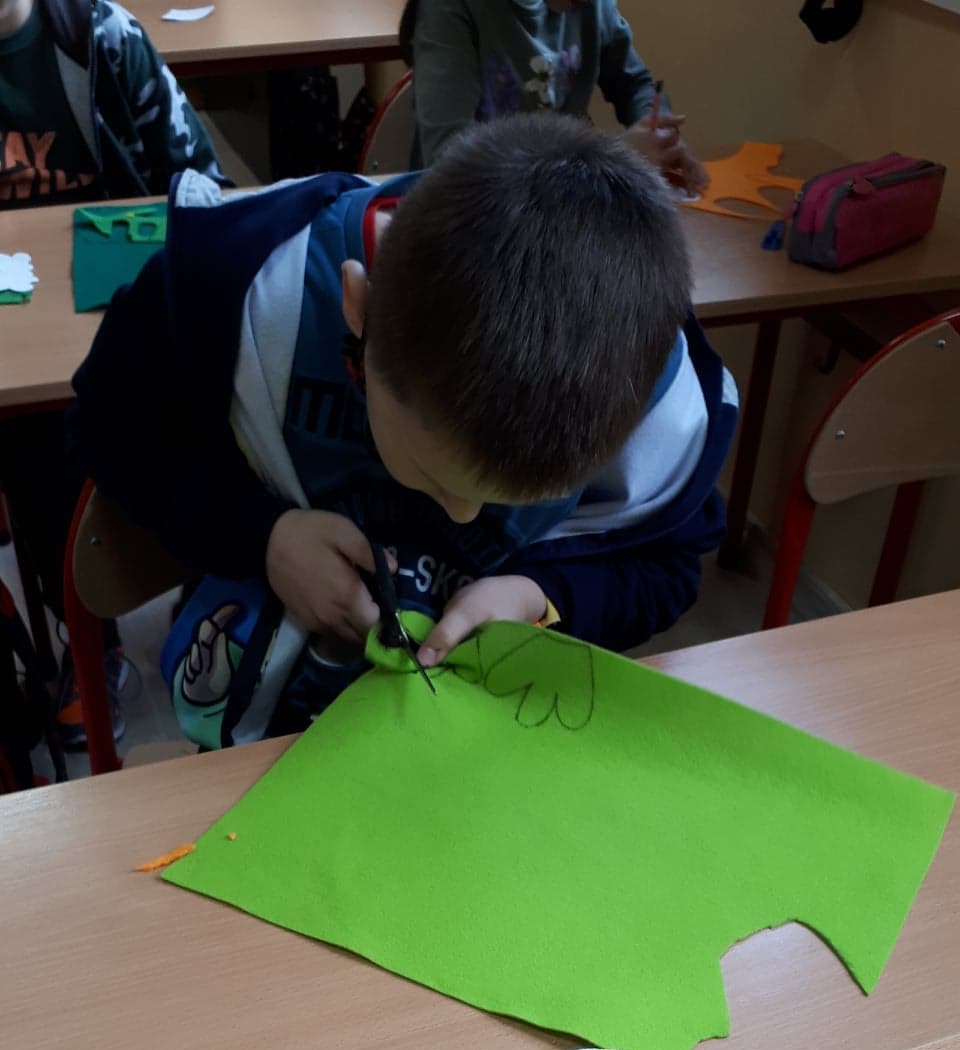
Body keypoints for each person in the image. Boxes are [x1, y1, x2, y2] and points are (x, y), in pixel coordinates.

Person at [70, 115, 737, 748]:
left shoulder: (648, 394)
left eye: (516, 500)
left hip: (481, 748)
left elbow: (669, 564)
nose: (462, 515)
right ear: (357, 311)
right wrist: (262, 536)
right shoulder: (239, 285)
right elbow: (106, 425)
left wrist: (543, 595)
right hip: (272, 735)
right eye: (430, 474)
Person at [0, 0, 225, 749]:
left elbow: (204, 191)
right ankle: (85, 636)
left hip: (118, 312)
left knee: (99, 424)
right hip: (16, 329)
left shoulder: (103, 37)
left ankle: (182, 595)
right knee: (33, 440)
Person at [398, 0, 705, 190]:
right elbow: (450, 167)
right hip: (468, 229)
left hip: (554, 215)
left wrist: (657, 131)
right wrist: (611, 161)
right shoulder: (451, 8)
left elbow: (634, 84)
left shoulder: (592, 6)